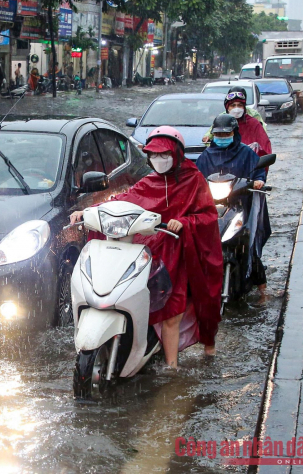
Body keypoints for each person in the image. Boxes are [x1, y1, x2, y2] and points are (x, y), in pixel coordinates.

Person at [69, 127, 223, 367]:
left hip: (178, 253)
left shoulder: (194, 180)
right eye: (154, 155)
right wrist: (89, 211)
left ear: (177, 154)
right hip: (149, 249)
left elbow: (207, 217)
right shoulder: (149, 181)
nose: (159, 160)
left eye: (165, 155)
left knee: (172, 312)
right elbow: (122, 200)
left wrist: (184, 222)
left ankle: (172, 368)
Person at [196, 114, 270, 302]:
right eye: (218, 135)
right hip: (213, 207)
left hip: (240, 203)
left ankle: (263, 291)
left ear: (234, 133)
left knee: (249, 244)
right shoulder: (206, 156)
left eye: (226, 134)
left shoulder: (245, 153)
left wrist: (259, 181)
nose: (222, 138)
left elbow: (259, 170)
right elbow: (196, 176)